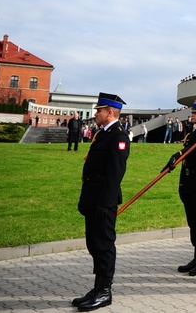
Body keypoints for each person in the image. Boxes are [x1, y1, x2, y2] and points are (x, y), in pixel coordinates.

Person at [72, 93, 130, 312]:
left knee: (104, 245)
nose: (96, 113)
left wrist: (105, 203)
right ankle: (97, 288)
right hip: (93, 198)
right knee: (94, 244)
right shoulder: (102, 134)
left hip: (104, 200)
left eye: (99, 110)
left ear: (110, 112)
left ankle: (105, 291)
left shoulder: (118, 136)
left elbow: (115, 173)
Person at [162, 101, 196, 277]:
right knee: (193, 224)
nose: (192, 114)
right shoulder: (192, 135)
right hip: (189, 185)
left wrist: (179, 154)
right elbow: (186, 154)